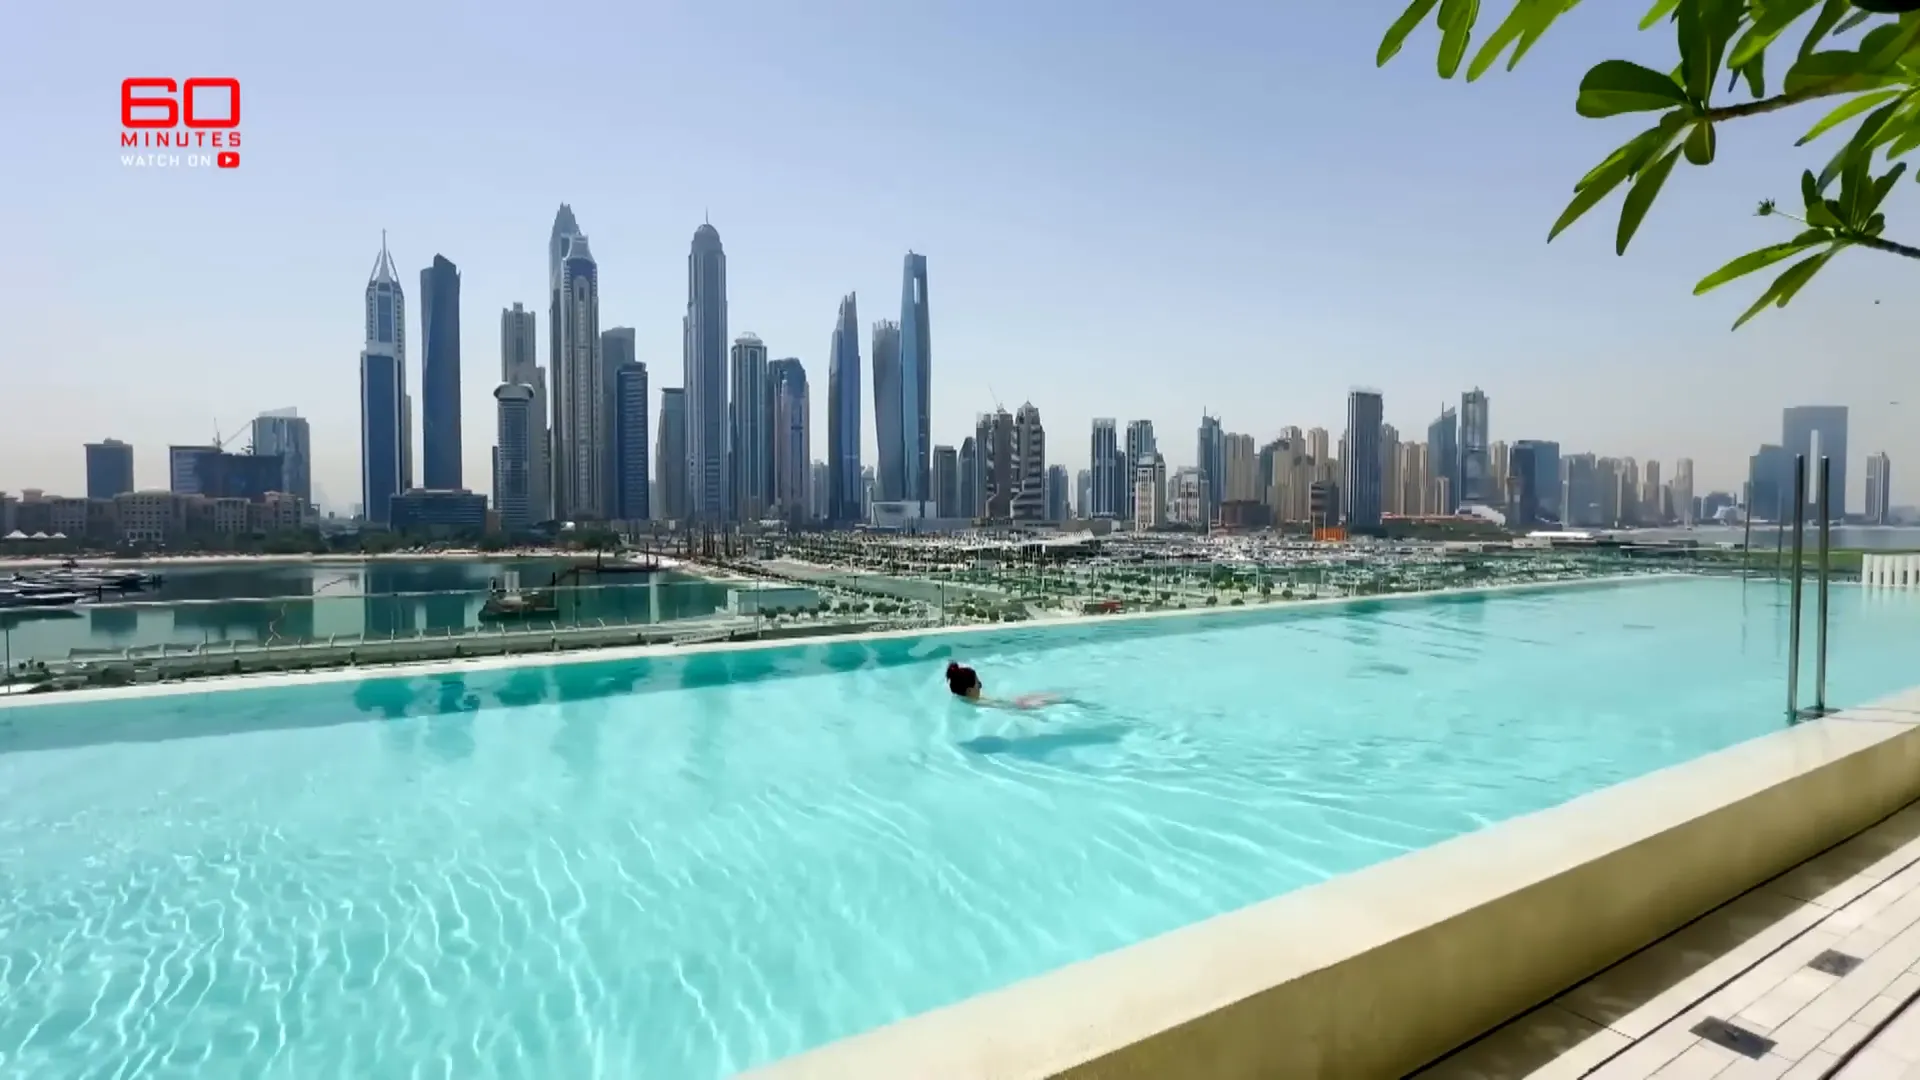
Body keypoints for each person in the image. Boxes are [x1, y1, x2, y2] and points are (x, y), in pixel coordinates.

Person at [945, 662, 1062, 710]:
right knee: (1045, 700)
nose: (980, 687)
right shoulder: (976, 704)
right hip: (1014, 706)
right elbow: (1006, 707)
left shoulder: (967, 699)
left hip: (1011, 702)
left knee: (1032, 697)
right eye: (978, 684)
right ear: (970, 690)